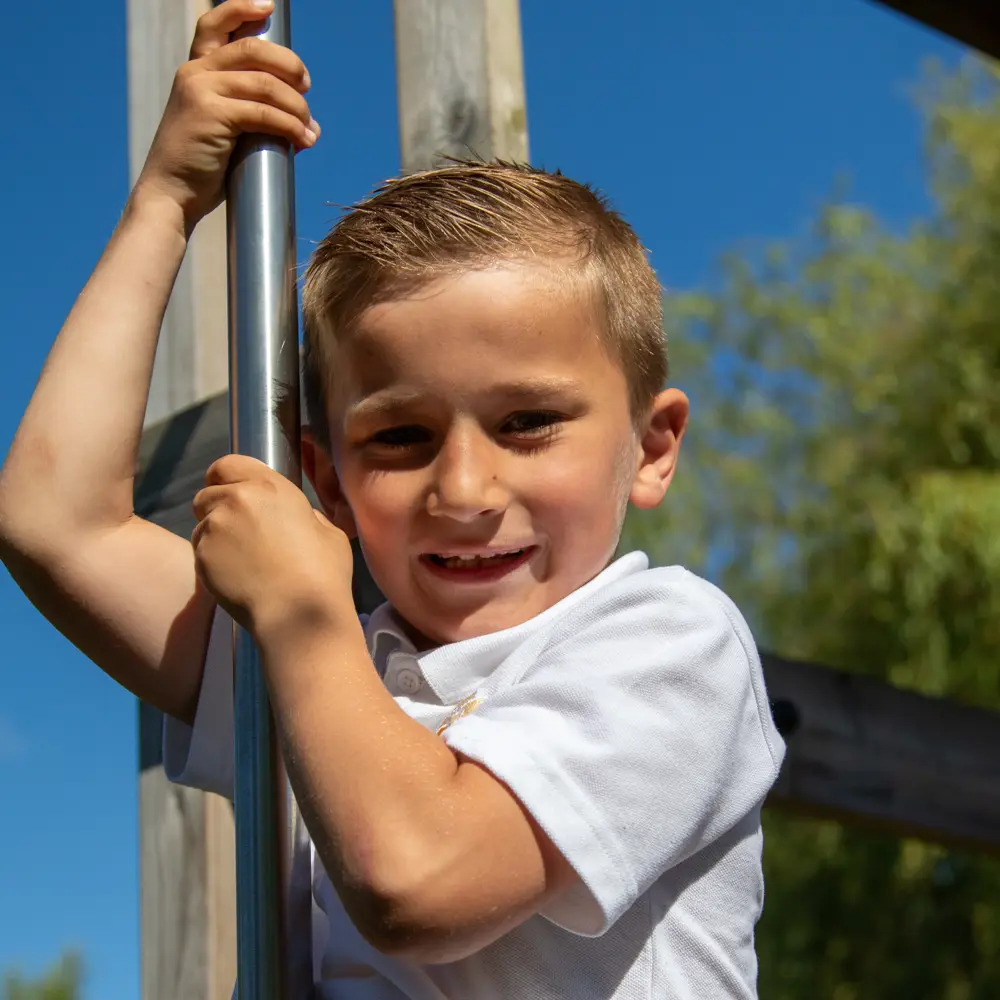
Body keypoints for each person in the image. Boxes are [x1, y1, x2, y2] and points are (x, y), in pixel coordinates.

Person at [0, 0, 785, 996]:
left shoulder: (669, 645)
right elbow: (55, 523)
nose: (463, 489)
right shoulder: (326, 662)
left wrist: (297, 613)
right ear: (325, 480)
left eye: (528, 422)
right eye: (400, 437)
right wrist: (165, 204)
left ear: (652, 446)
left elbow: (420, 881)